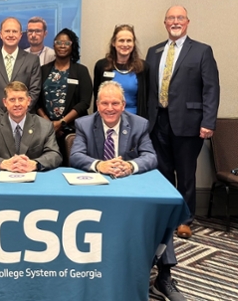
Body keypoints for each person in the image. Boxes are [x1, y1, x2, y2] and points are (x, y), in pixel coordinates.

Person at [70, 81, 184, 301]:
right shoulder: (84, 124)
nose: (109, 108)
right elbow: (75, 156)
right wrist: (99, 165)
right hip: (95, 190)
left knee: (162, 208)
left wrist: (131, 166)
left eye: (115, 103)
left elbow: (150, 156)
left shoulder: (139, 124)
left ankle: (164, 276)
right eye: (104, 103)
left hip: (128, 187)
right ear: (97, 104)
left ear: (123, 105)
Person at [146, 5, 220, 240]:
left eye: (180, 18)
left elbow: (211, 89)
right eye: (171, 18)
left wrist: (208, 122)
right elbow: (148, 89)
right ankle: (168, 214)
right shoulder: (154, 51)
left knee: (186, 173)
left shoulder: (201, 51)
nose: (175, 22)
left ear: (187, 22)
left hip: (189, 122)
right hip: (158, 121)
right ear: (165, 23)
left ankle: (185, 219)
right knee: (164, 171)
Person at [0, 81, 62, 172]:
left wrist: (35, 164)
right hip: (2, 181)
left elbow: (54, 154)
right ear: (5, 102)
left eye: (21, 99)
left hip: (33, 179)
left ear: (28, 101)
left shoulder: (45, 126)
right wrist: (2, 163)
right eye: (12, 99)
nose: (17, 104)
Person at [36, 28, 92, 165]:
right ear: (54, 45)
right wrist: (49, 124)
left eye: (66, 43)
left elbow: (85, 102)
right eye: (59, 42)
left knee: (72, 167)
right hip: (46, 131)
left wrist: (61, 123)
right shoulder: (43, 70)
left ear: (72, 46)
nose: (62, 45)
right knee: (46, 167)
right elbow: (36, 100)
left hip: (72, 131)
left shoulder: (81, 71)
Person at [0, 17, 41, 118]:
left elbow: (34, 90)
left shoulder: (32, 60)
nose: (11, 35)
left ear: (20, 35)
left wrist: (18, 114)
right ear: (1, 34)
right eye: (7, 31)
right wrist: (1, 117)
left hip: (24, 119)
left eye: (14, 31)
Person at [93, 24, 149, 118]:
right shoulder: (102, 66)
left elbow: (147, 99)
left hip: (135, 121)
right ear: (113, 43)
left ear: (133, 44)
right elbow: (97, 98)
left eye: (129, 41)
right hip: (108, 119)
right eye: (121, 40)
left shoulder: (143, 68)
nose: (125, 44)